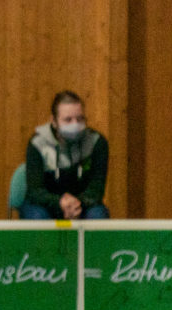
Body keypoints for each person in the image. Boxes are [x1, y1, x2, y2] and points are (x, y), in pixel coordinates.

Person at [22, 91, 110, 220]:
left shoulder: (97, 142)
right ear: (53, 121)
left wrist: (76, 204)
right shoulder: (37, 144)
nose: (75, 124)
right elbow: (35, 191)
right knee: (37, 217)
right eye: (68, 120)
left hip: (83, 204)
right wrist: (60, 203)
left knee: (98, 215)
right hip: (45, 204)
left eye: (80, 119)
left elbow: (96, 189)